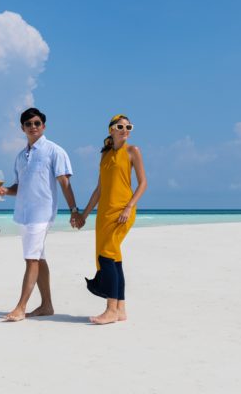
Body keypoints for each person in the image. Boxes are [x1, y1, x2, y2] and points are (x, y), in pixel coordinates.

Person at [0, 108, 82, 322]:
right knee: (39, 259)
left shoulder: (55, 151)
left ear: (43, 125)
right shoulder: (20, 156)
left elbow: (64, 183)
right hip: (23, 214)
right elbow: (20, 186)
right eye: (28, 124)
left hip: (42, 214)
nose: (32, 127)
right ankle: (47, 306)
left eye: (36, 123)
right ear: (22, 128)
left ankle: (20, 307)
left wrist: (73, 210)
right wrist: (6, 191)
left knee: (31, 259)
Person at [78, 114, 147, 324]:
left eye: (129, 127)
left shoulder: (133, 151)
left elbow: (143, 184)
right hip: (104, 214)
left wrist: (128, 207)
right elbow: (99, 190)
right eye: (120, 126)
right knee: (113, 259)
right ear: (111, 130)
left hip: (122, 211)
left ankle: (110, 309)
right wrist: (84, 214)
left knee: (107, 256)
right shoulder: (105, 155)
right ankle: (121, 309)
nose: (125, 129)